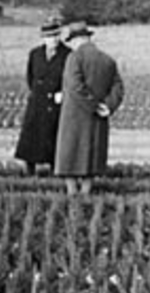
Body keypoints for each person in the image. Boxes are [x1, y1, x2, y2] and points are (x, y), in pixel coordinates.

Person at [53, 20, 124, 195]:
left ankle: (72, 195)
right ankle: (86, 194)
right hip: (98, 118)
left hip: (74, 117)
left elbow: (75, 86)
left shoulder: (74, 58)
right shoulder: (107, 60)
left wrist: (92, 105)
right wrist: (106, 106)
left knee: (69, 158)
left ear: (77, 40)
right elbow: (118, 87)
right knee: (91, 159)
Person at [13, 17, 70, 175]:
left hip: (56, 103)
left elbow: (71, 79)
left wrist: (63, 94)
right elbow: (30, 77)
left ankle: (55, 171)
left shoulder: (68, 55)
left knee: (53, 139)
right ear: (44, 38)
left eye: (56, 36)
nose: (53, 40)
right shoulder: (35, 54)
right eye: (49, 37)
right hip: (37, 102)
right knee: (31, 138)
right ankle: (29, 171)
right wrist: (38, 93)